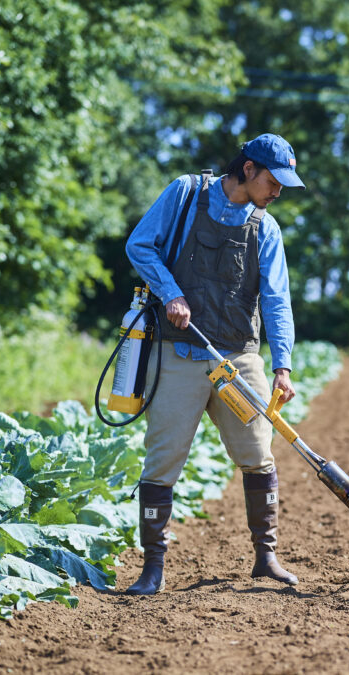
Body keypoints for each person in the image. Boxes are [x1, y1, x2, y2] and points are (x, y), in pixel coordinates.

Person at [123, 133, 305, 594]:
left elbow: (277, 301)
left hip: (238, 360)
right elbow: (140, 245)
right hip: (178, 354)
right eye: (273, 180)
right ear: (248, 169)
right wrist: (171, 293)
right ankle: (152, 569)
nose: (278, 190)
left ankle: (266, 557)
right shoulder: (185, 193)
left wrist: (282, 366)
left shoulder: (266, 228)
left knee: (257, 455)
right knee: (162, 461)